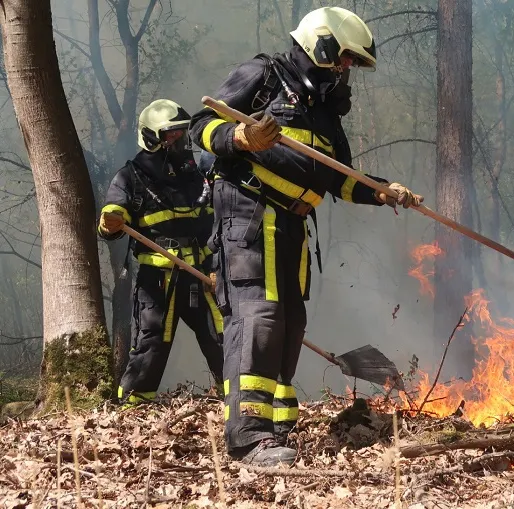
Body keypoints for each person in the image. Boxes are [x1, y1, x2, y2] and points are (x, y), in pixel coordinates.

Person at [189, 6, 422, 466]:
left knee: (290, 320)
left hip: (293, 225)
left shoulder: (324, 116)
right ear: (322, 46)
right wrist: (242, 137)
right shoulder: (264, 75)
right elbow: (202, 127)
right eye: (345, 60)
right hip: (249, 213)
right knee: (259, 314)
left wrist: (381, 192)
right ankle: (248, 438)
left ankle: (275, 426)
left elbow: (338, 178)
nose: (346, 71)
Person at [98, 99, 224, 406]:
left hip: (202, 275)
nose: (179, 139)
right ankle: (132, 407)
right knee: (151, 343)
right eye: (171, 134)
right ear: (152, 137)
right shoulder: (130, 176)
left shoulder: (199, 173)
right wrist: (110, 220)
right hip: (158, 279)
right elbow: (111, 222)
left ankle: (238, 400)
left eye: (182, 132)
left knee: (221, 337)